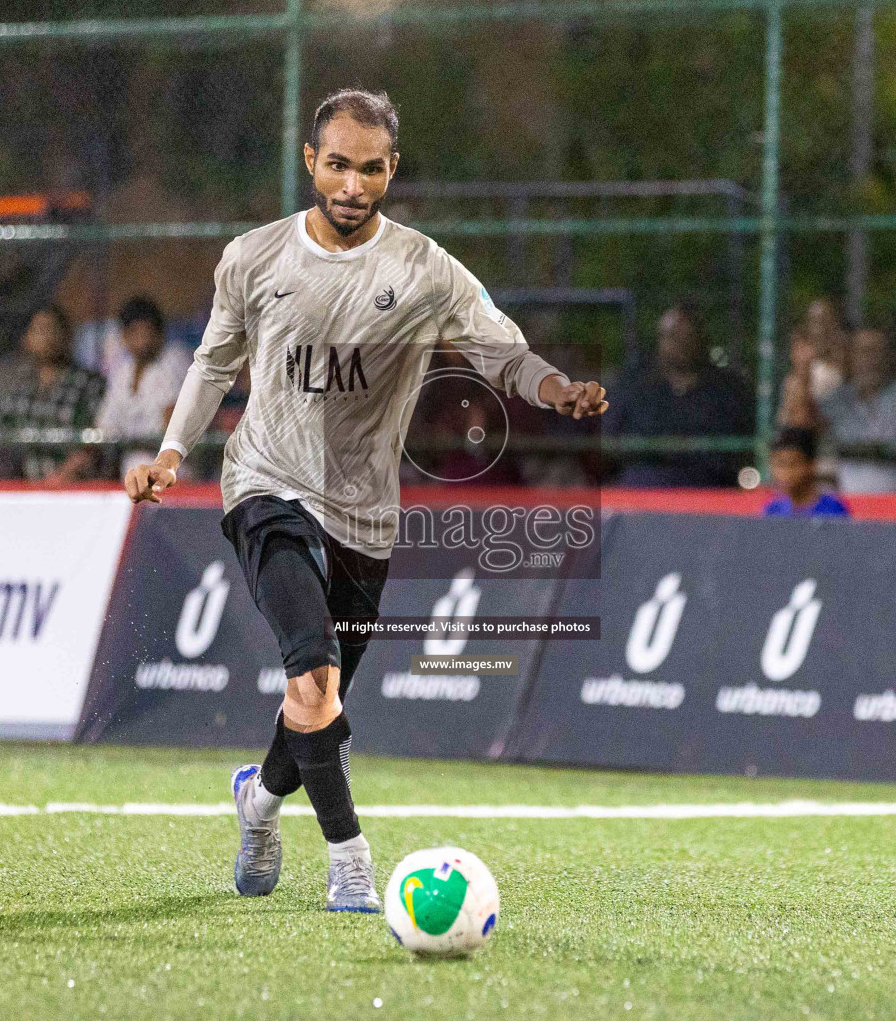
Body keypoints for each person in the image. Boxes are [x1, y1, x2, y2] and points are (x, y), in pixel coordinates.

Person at [123, 89, 608, 913]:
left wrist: (555, 388)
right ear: (311, 162)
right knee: (313, 671)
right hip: (265, 485)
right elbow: (211, 365)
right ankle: (350, 859)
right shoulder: (252, 258)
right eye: (338, 164)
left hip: (365, 516)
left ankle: (261, 801)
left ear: (391, 171)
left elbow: (503, 352)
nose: (353, 183)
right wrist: (173, 452)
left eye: (371, 168)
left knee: (315, 697)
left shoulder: (426, 269)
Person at [0, 305, 106, 484]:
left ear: (67, 336)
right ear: (26, 339)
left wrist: (64, 476)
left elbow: (94, 441)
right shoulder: (24, 392)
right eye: (39, 330)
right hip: (36, 490)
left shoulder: (88, 384)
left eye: (52, 329)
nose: (47, 337)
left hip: (83, 492)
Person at [603, 302, 754, 486]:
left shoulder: (728, 389)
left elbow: (742, 449)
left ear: (702, 340)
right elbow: (610, 439)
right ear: (660, 340)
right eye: (673, 336)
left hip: (710, 486)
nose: (680, 344)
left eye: (688, 337)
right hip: (644, 484)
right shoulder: (634, 386)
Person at [783, 326, 896, 494]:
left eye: (877, 350)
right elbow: (800, 426)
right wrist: (803, 371)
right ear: (851, 358)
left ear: (890, 356)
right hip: (853, 504)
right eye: (863, 352)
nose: (870, 359)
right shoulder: (839, 398)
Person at [95, 295, 194, 477]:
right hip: (131, 473)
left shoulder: (175, 360)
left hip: (171, 474)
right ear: (124, 336)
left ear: (160, 334)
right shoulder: (123, 371)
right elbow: (104, 426)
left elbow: (173, 422)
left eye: (147, 332)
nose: (142, 341)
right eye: (135, 333)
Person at [762, 427, 849, 517]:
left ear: (811, 465)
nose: (786, 472)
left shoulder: (833, 510)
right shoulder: (772, 510)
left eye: (794, 463)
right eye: (780, 464)